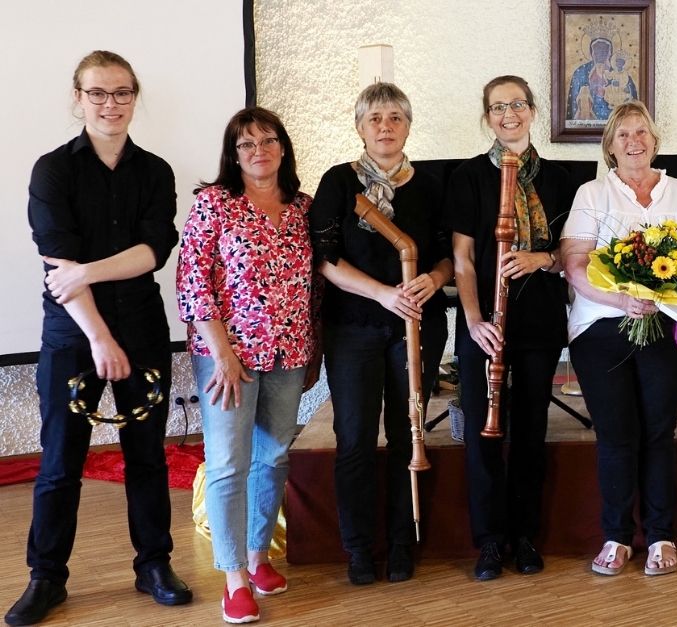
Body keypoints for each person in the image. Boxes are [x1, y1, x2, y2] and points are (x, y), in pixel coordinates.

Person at [7, 50, 191, 627]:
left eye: (121, 92)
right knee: (61, 460)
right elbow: (59, 266)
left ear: (135, 97)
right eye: (97, 93)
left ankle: (154, 565)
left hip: (143, 328)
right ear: (77, 97)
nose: (110, 104)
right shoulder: (52, 170)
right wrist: (101, 339)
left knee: (146, 458)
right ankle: (47, 579)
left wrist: (87, 269)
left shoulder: (155, 171)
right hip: (73, 333)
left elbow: (153, 252)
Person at [176, 107, 319, 623]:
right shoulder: (214, 205)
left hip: (289, 354)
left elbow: (315, 287)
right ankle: (233, 576)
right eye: (246, 144)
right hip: (227, 359)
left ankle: (260, 558)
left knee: (275, 455)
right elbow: (193, 286)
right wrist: (223, 355)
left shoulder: (304, 208)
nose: (258, 151)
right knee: (229, 462)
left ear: (283, 147)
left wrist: (313, 350)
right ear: (232, 154)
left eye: (268, 140)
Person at [562, 101, 677, 577]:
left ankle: (661, 535)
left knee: (658, 433)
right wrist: (623, 301)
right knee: (615, 435)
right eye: (624, 133)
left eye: (642, 132)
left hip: (668, 325)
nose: (635, 140)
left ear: (654, 140)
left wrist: (668, 287)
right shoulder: (591, 193)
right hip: (601, 327)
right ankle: (616, 536)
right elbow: (576, 266)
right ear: (610, 146)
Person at [308, 82, 452, 585]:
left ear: (408, 125)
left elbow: (446, 253)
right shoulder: (338, 182)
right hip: (353, 328)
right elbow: (324, 259)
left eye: (394, 117)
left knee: (405, 433)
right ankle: (357, 546)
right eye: (375, 119)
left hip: (417, 327)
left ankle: (401, 542)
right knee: (354, 438)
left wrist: (433, 280)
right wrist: (383, 294)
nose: (385, 127)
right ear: (360, 128)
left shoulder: (432, 184)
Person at [445, 76, 575, 581]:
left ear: (533, 110)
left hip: (539, 319)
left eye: (517, 104)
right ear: (487, 117)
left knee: (530, 430)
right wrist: (474, 320)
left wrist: (540, 257)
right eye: (498, 107)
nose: (508, 115)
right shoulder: (469, 177)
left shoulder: (562, 180)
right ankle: (489, 540)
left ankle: (525, 536)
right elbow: (462, 258)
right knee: (482, 433)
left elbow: (573, 249)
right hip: (485, 325)